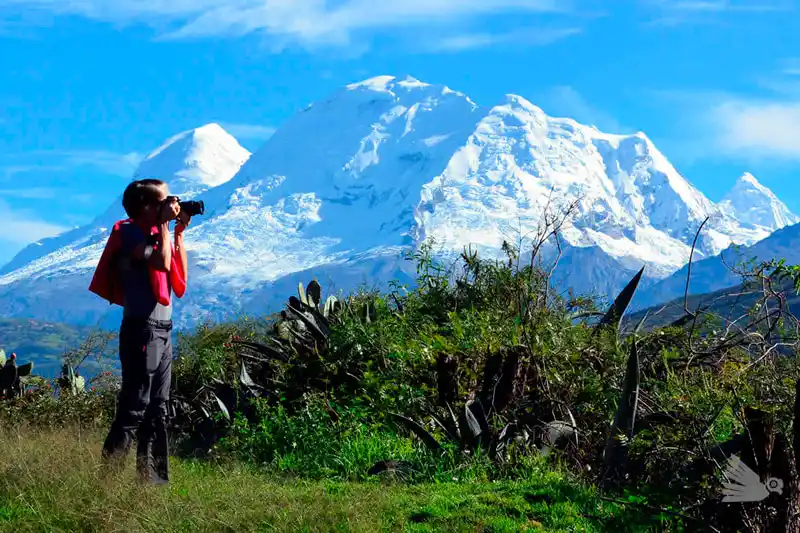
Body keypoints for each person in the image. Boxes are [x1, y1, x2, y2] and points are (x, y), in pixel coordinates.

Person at [96, 178, 191, 485]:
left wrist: (178, 233)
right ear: (148, 206)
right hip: (142, 329)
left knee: (158, 409)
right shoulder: (128, 233)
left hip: (163, 328)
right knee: (134, 407)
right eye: (164, 201)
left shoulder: (156, 232)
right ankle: (105, 483)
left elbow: (180, 281)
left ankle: (152, 485)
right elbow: (161, 263)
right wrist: (164, 227)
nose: (170, 206)